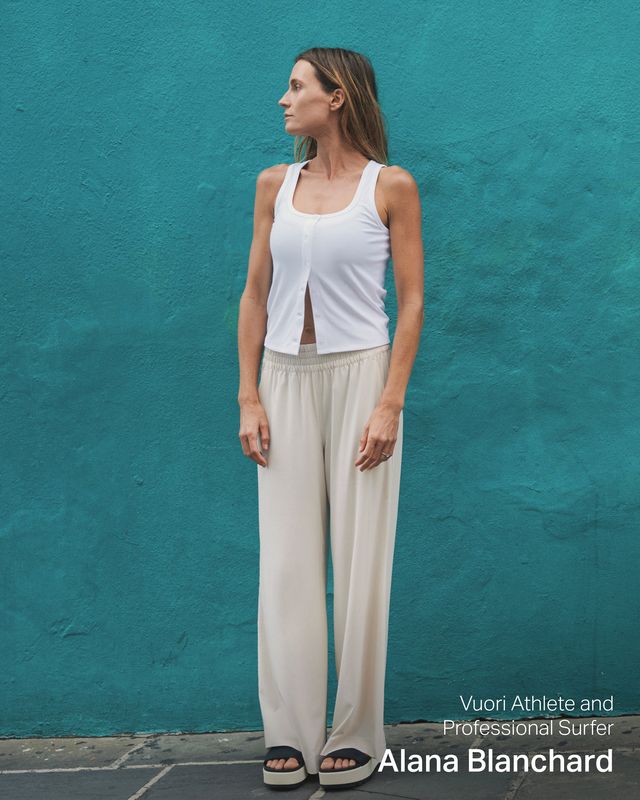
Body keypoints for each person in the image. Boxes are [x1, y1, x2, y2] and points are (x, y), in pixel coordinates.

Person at [237, 47, 424, 791]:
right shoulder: (274, 185)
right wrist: (249, 395)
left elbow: (411, 300)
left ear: (337, 96)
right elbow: (255, 293)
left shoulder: (391, 186)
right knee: (285, 561)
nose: (284, 100)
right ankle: (288, 731)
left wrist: (390, 402)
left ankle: (354, 733)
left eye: (296, 87)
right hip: (282, 377)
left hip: (362, 379)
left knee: (361, 562)